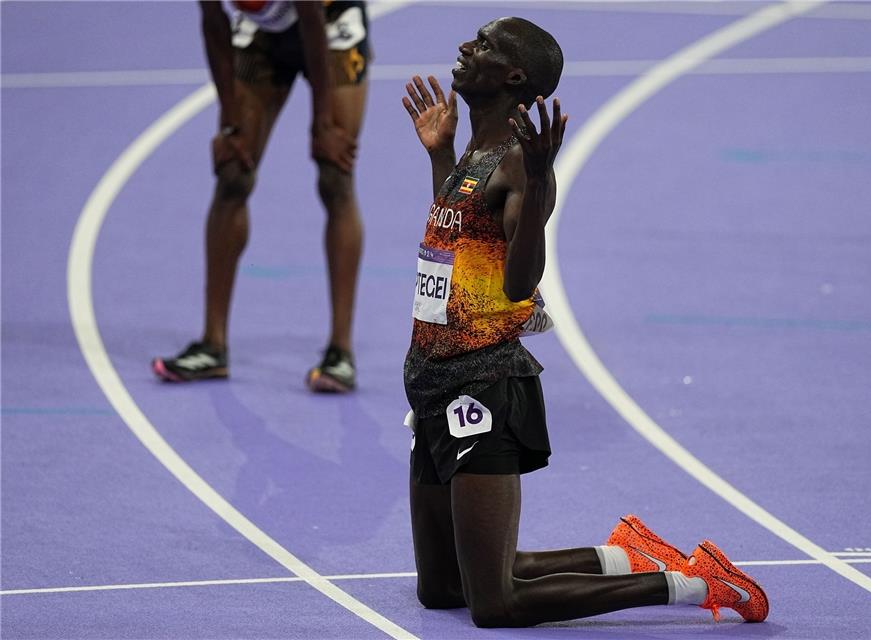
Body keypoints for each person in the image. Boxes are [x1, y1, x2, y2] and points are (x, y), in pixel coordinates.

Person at [400, 17, 769, 628]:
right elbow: (465, 244)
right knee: (442, 588)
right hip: (432, 380)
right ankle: (621, 555)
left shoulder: (520, 163)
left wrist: (542, 183)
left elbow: (519, 282)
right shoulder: (474, 152)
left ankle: (690, 583)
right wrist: (440, 156)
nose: (467, 47)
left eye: (485, 45)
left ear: (514, 76)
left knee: (496, 603)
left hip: (481, 386)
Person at [152, 0, 369, 392]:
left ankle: (340, 352)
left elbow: (312, 23)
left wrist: (322, 124)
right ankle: (212, 344)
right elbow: (214, 25)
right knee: (233, 173)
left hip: (330, 21)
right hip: (264, 34)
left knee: (335, 176)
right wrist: (230, 120)